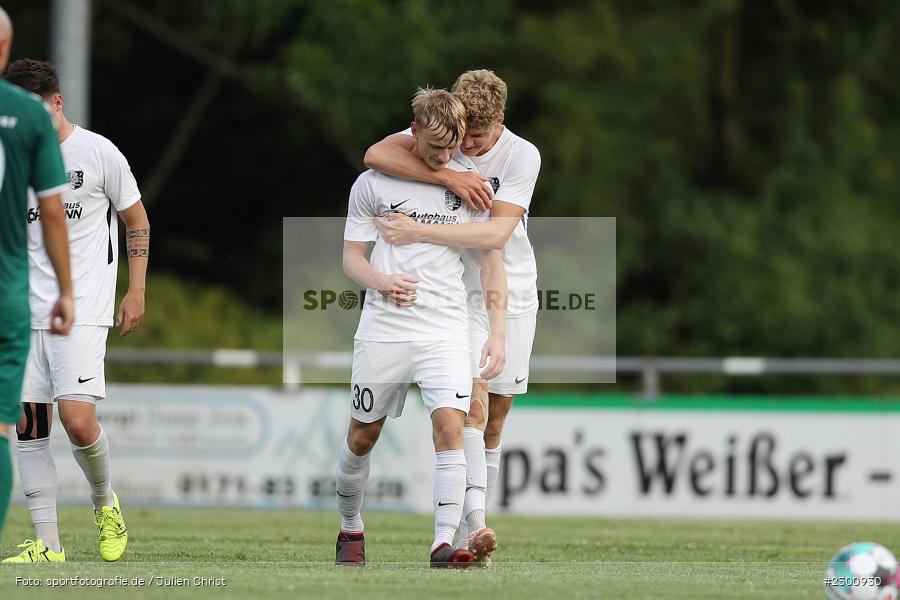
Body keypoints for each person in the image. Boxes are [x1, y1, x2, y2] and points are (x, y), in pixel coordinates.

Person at [364, 69, 541, 565]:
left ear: (500, 123)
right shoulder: (447, 135)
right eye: (465, 134)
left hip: (510, 290)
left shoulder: (523, 155)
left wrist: (419, 231)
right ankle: (471, 529)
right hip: (454, 292)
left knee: (495, 420)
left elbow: (494, 237)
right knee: (471, 408)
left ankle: (472, 530)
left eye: (478, 137)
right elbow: (375, 155)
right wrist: (449, 176)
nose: (468, 145)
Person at [335, 88, 507, 568]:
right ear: (412, 132)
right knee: (362, 435)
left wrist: (496, 330)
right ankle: (350, 526)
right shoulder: (373, 183)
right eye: (434, 148)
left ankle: (443, 544)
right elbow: (352, 258)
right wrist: (381, 281)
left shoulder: (472, 185)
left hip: (445, 327)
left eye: (452, 148)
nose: (444, 157)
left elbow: (491, 262)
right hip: (384, 326)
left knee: (451, 426)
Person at [2, 59, 149, 564]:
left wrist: (136, 290)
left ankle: (105, 501)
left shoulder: (99, 152)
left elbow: (136, 220)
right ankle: (48, 544)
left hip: (82, 307)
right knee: (28, 426)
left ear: (58, 102)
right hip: (22, 311)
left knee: (78, 421)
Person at [0, 9, 74, 547]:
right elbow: (52, 211)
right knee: (5, 429)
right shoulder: (27, 115)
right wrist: (67, 291)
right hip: (9, 295)